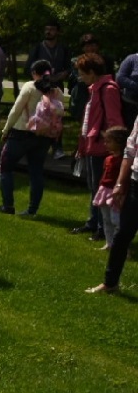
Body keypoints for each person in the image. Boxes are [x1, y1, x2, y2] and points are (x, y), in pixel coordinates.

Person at [0, 60, 65, 216]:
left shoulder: (29, 87)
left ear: (34, 73)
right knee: (36, 172)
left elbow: (16, 110)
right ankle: (32, 209)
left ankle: (8, 205)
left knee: (5, 168)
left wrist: (6, 129)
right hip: (44, 136)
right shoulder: (57, 91)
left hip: (22, 133)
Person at [72, 53, 124, 241]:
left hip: (102, 147)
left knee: (101, 187)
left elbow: (114, 120)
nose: (81, 77)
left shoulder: (107, 89)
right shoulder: (95, 89)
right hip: (91, 145)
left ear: (92, 72)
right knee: (93, 186)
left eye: (82, 73)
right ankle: (93, 222)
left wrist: (113, 146)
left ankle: (103, 228)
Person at [87, 122, 138, 295]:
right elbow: (130, 150)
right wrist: (120, 183)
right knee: (122, 233)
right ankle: (110, 283)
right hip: (136, 182)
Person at [92, 127, 128, 250]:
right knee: (106, 219)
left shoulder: (123, 161)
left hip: (116, 193)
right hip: (105, 191)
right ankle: (109, 243)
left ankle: (121, 246)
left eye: (108, 141)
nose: (105, 144)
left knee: (116, 220)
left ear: (119, 142)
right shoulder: (108, 159)